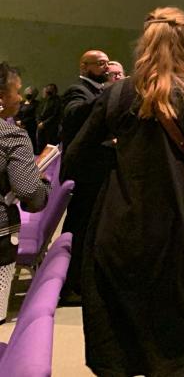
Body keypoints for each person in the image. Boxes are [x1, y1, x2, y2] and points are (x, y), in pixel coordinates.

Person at [63, 7, 184, 377]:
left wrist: (119, 153)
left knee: (117, 337)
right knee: (173, 338)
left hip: (119, 227)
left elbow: (73, 159)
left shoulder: (117, 93)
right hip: (179, 228)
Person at [0, 63, 51, 324]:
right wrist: (43, 186)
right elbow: (29, 192)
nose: (20, 98)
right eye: (15, 91)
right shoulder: (11, 136)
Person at [59, 48, 111, 301]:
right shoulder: (77, 90)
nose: (106, 68)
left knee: (90, 227)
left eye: (107, 63)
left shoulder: (98, 91)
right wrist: (106, 97)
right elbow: (73, 115)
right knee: (79, 227)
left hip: (96, 172)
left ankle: (82, 280)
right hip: (85, 172)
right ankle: (70, 285)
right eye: (100, 64)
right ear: (84, 67)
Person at [36, 83, 62, 148]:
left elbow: (55, 115)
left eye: (49, 89)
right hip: (41, 127)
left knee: (50, 147)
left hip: (51, 128)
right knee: (40, 146)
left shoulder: (57, 100)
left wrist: (44, 123)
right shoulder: (42, 100)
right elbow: (37, 112)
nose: (46, 90)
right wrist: (38, 122)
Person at [15, 85, 39, 154]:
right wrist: (18, 122)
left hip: (30, 126)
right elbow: (16, 113)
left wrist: (22, 122)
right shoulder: (21, 103)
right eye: (27, 91)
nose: (28, 93)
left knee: (31, 142)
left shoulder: (37, 104)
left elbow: (33, 116)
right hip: (19, 126)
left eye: (30, 92)